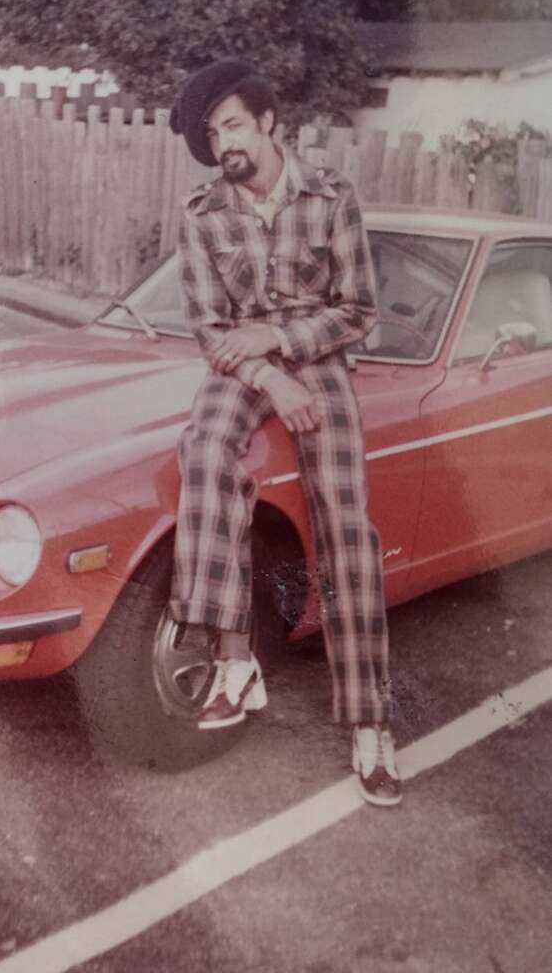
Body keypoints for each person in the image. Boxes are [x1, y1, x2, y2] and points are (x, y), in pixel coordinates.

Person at [168, 59, 402, 807]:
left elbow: (358, 309)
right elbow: (209, 329)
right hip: (242, 370)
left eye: (232, 124)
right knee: (203, 450)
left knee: (344, 523)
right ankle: (234, 661)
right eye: (211, 133)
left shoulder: (331, 197)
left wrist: (281, 342)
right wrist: (267, 373)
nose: (222, 142)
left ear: (269, 122)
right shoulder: (203, 212)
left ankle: (369, 724)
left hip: (320, 363)